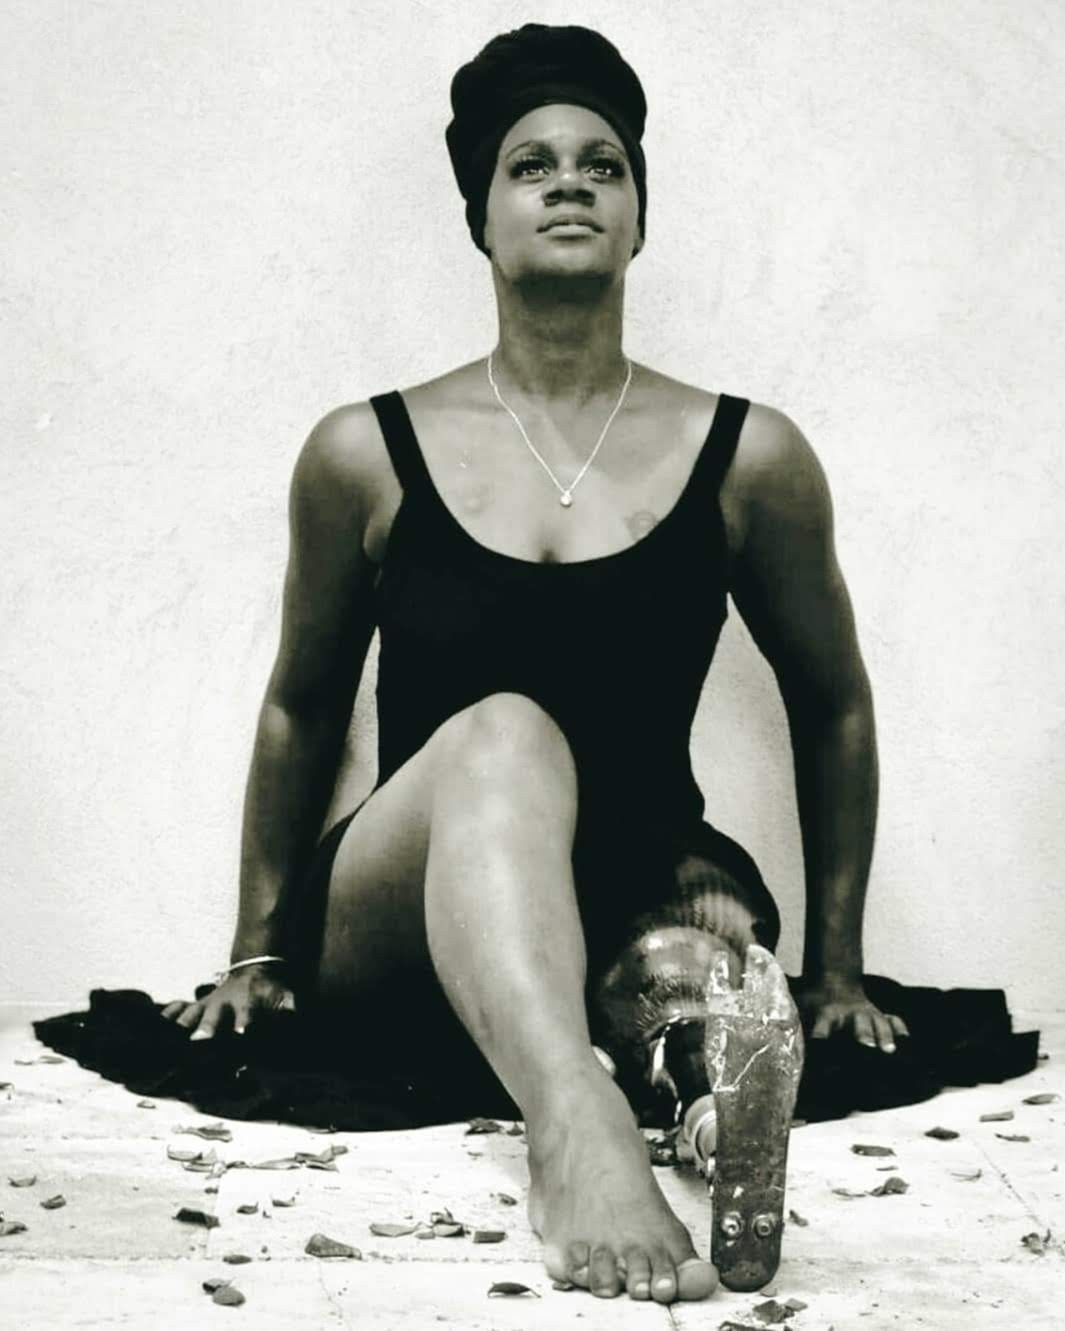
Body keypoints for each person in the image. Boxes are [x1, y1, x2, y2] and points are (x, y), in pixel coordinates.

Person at [161, 22, 909, 1305]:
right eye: (532, 165)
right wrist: (257, 948)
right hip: (406, 900)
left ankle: (701, 1088)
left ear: (639, 219)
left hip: (639, 876)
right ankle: (579, 1118)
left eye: (603, 165)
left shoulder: (751, 455)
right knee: (506, 728)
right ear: (481, 217)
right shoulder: (364, 450)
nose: (571, 183)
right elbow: (300, 704)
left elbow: (834, 701)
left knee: (695, 963)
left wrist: (839, 967)